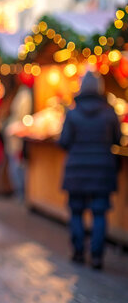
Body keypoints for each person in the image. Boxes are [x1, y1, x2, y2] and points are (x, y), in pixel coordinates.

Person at [58, 71, 119, 270]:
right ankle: (97, 257)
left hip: (76, 170)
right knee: (99, 214)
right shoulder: (110, 113)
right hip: (102, 170)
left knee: (76, 212)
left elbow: (64, 141)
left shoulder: (72, 113)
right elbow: (117, 140)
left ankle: (77, 252)